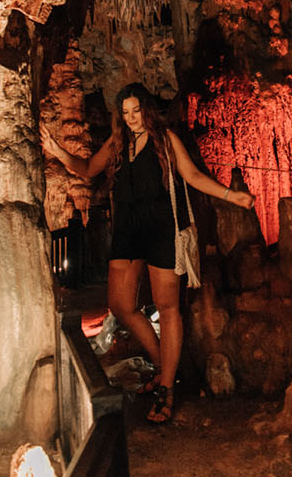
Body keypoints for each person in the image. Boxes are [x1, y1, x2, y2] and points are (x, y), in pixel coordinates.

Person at [42, 83, 255, 423]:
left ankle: (167, 388)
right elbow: (86, 169)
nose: (131, 119)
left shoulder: (165, 139)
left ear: (147, 109)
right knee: (122, 305)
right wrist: (55, 150)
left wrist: (232, 196)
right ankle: (163, 364)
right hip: (127, 232)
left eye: (136, 111)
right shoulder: (118, 143)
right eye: (125, 113)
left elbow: (193, 175)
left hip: (161, 232)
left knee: (168, 307)